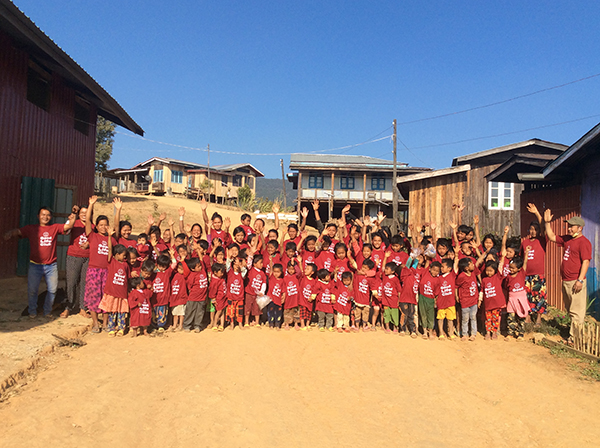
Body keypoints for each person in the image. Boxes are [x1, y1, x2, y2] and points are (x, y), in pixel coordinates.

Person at [4, 206, 75, 318]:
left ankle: (47, 312)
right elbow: (18, 231)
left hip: (51, 266)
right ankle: (32, 312)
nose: (45, 217)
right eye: (43, 214)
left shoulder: (54, 227)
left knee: (52, 290)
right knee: (32, 290)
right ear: (38, 216)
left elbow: (69, 226)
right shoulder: (31, 228)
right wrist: (10, 233)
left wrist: (73, 217)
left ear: (50, 217)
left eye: (48, 215)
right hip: (35, 265)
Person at [544, 210, 592, 344]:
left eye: (572, 226)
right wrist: (547, 223)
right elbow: (552, 236)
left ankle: (574, 339)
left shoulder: (584, 242)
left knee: (577, 311)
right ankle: (573, 334)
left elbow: (586, 261)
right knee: (571, 309)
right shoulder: (568, 239)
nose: (569, 228)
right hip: (566, 281)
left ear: (580, 228)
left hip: (576, 281)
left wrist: (580, 280)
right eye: (569, 226)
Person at [83, 196, 117, 333]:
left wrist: (118, 210)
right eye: (101, 225)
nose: (104, 227)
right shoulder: (92, 236)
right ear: (96, 226)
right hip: (94, 271)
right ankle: (95, 323)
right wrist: (90, 205)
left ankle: (105, 322)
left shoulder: (112, 239)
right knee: (93, 297)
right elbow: (87, 221)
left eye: (106, 224)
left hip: (107, 271)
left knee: (106, 297)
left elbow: (117, 226)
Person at [98, 232, 130, 336]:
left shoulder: (125, 265)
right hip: (112, 292)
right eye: (123, 255)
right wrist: (110, 237)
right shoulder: (112, 262)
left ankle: (121, 329)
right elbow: (109, 249)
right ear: (116, 255)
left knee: (121, 312)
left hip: (122, 293)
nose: (124, 256)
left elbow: (127, 278)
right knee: (112, 311)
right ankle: (111, 328)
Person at [521, 203, 547, 327]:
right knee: (527, 295)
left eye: (535, 229)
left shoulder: (542, 240)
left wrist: (537, 213)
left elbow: (544, 227)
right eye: (531, 229)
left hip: (538, 274)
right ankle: (527, 316)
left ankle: (538, 318)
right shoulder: (524, 242)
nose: (533, 231)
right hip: (526, 275)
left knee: (539, 296)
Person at [63, 204, 90, 318]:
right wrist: (72, 215)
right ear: (79, 214)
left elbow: (96, 239)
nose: (84, 214)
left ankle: (82, 308)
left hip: (88, 258)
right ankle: (68, 307)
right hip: (74, 256)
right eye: (82, 212)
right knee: (71, 282)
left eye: (86, 212)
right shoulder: (75, 223)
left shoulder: (92, 226)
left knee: (84, 283)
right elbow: (66, 229)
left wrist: (90, 243)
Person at [503, 250, 530, 341]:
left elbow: (525, 263)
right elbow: (506, 287)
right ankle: (510, 333)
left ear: (519, 268)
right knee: (510, 316)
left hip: (520, 297)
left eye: (513, 268)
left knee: (521, 317)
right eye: (510, 268)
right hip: (511, 298)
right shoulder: (508, 277)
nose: (511, 270)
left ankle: (520, 334)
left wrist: (526, 254)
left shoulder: (522, 273)